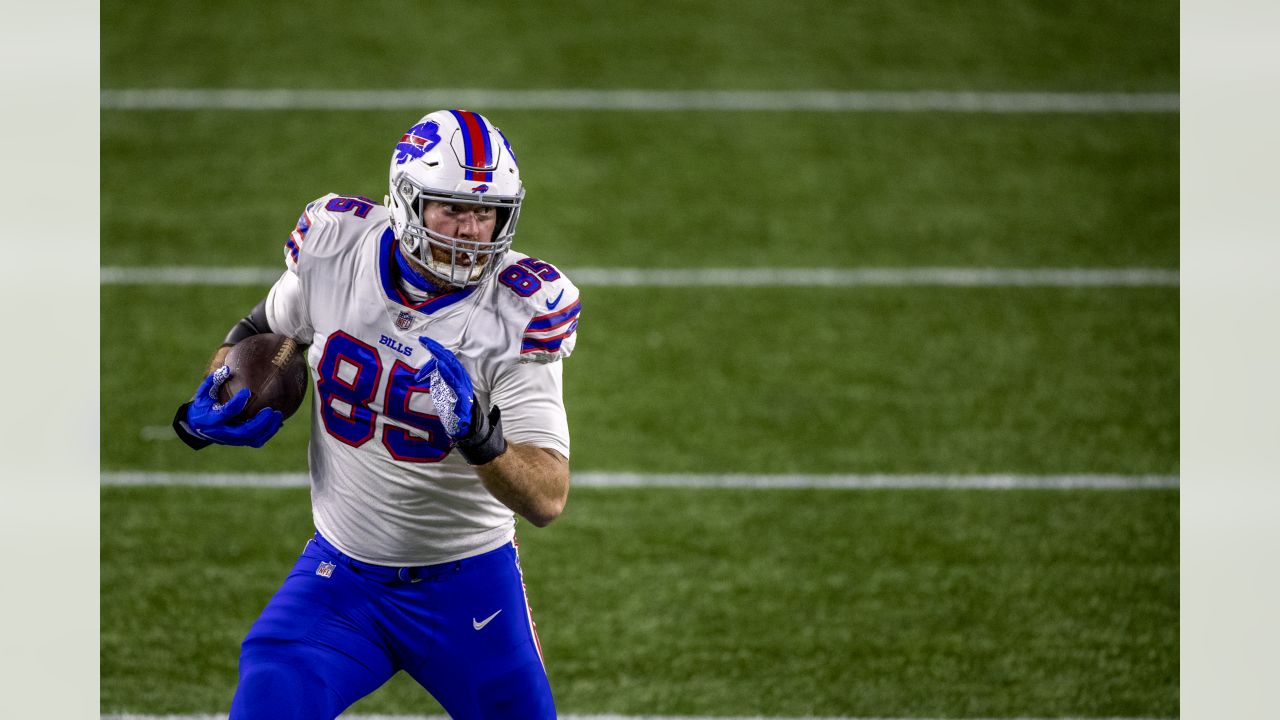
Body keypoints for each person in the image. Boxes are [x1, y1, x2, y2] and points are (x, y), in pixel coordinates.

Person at [171, 109, 579, 719]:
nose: (472, 230)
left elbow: (548, 496)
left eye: (486, 211)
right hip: (342, 578)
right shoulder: (336, 245)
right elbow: (263, 329)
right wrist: (215, 392)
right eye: (453, 209)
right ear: (407, 202)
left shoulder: (520, 311)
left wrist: (480, 439)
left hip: (467, 582)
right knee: (271, 695)